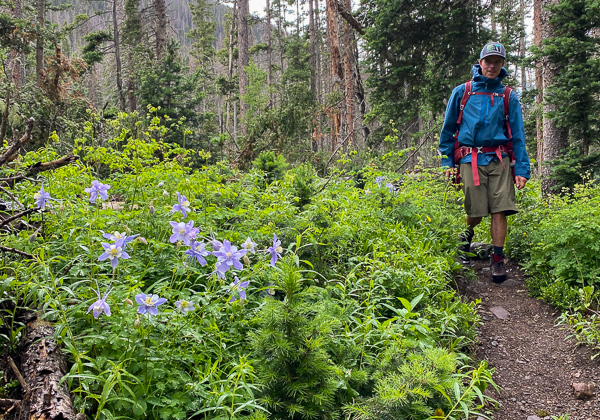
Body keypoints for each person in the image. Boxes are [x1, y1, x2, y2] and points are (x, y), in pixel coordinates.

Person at [438, 42, 530, 283]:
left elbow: (518, 135)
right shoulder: (463, 92)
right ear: (480, 63)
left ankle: (497, 260)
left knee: (501, 209)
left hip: (500, 159)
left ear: (502, 66)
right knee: (475, 212)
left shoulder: (508, 95)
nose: (492, 65)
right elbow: (448, 130)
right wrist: (446, 162)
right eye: (488, 61)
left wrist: (521, 168)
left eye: (497, 62)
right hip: (470, 158)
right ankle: (466, 236)